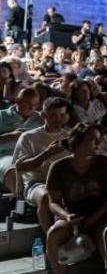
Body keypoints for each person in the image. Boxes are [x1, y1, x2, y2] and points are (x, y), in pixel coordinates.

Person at [45, 124, 107, 274]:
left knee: (105, 232)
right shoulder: (59, 167)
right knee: (53, 234)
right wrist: (66, 216)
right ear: (78, 142)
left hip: (101, 213)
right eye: (93, 139)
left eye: (98, 139)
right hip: (73, 215)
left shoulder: (104, 162)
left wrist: (94, 217)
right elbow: (53, 202)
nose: (98, 143)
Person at [11, 96, 71, 232]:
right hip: (36, 183)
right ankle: (49, 238)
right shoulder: (29, 137)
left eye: (62, 115)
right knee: (45, 196)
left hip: (63, 183)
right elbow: (20, 167)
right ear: (44, 115)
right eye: (53, 115)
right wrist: (47, 154)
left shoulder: (69, 137)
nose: (58, 120)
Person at [0, 87, 42, 193]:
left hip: (34, 156)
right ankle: (21, 204)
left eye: (35, 104)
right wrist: (10, 135)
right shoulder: (2, 116)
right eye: (28, 103)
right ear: (17, 101)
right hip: (7, 156)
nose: (32, 108)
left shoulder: (40, 118)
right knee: (14, 172)